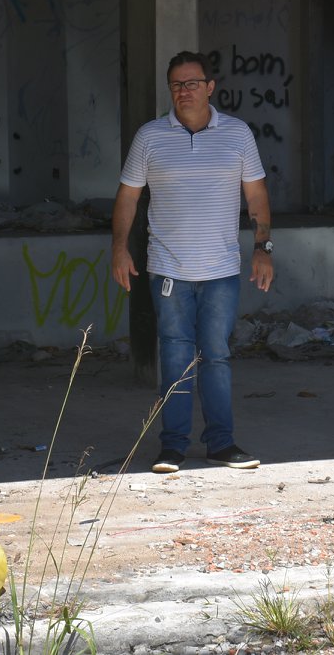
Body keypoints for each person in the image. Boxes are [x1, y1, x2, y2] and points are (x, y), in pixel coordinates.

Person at [111, 50, 274, 474]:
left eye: (193, 83)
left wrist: (263, 248)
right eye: (177, 85)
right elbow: (128, 197)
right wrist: (119, 248)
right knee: (175, 357)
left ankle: (221, 443)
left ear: (210, 87)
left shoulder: (237, 134)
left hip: (221, 271)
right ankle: (173, 447)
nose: (184, 91)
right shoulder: (150, 137)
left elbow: (256, 195)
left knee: (217, 356)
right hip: (169, 270)